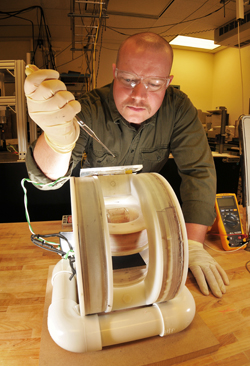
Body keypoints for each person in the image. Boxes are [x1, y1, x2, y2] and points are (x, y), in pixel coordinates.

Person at [24, 32, 229, 298]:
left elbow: (198, 172)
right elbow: (47, 181)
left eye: (154, 84)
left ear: (168, 82)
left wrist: (192, 246)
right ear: (115, 72)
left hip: (148, 225)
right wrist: (57, 140)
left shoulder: (178, 109)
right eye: (129, 80)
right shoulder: (88, 108)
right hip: (95, 222)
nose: (139, 96)